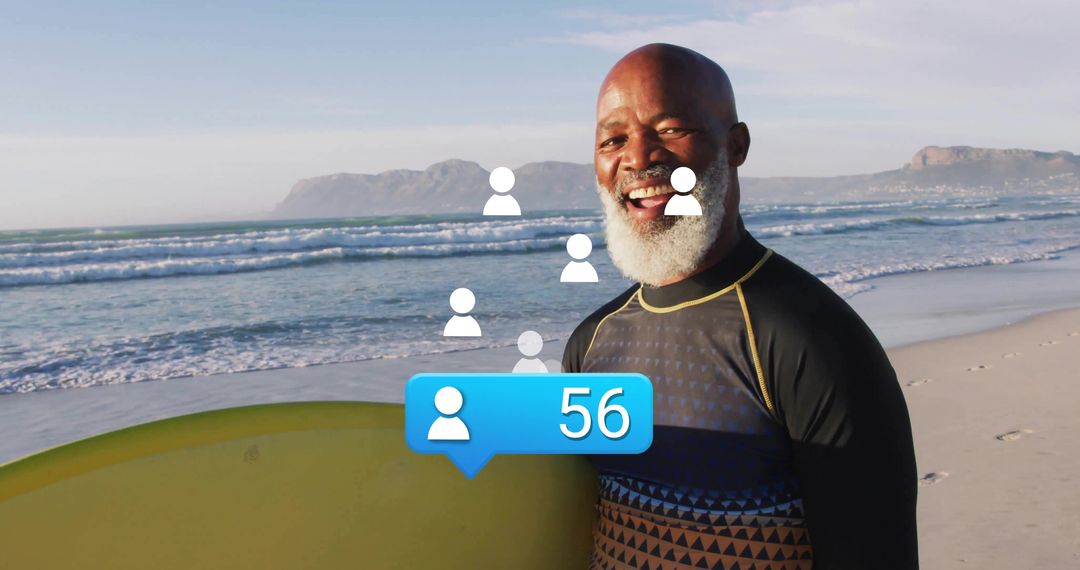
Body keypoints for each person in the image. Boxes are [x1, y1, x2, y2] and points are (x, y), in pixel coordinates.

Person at [562, 44, 918, 570]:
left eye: (670, 129)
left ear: (736, 145)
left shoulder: (809, 340)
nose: (638, 158)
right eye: (613, 139)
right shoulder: (591, 343)